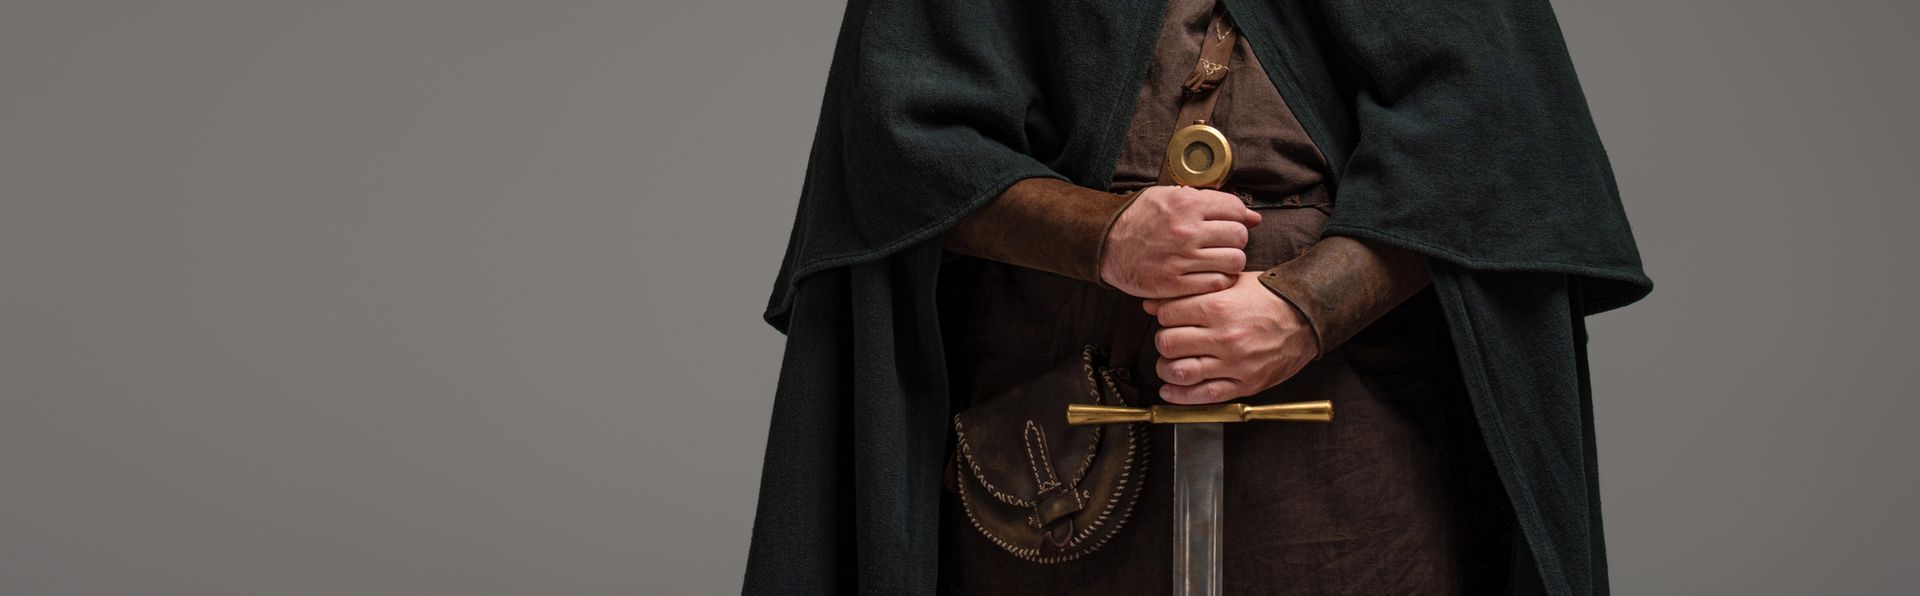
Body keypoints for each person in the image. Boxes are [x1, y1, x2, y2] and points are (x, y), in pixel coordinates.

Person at [745, 0, 1650, 593]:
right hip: (1057, 410)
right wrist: (1101, 234)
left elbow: (1491, 141)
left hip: (1360, 406)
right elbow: (900, 139)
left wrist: (1307, 306)